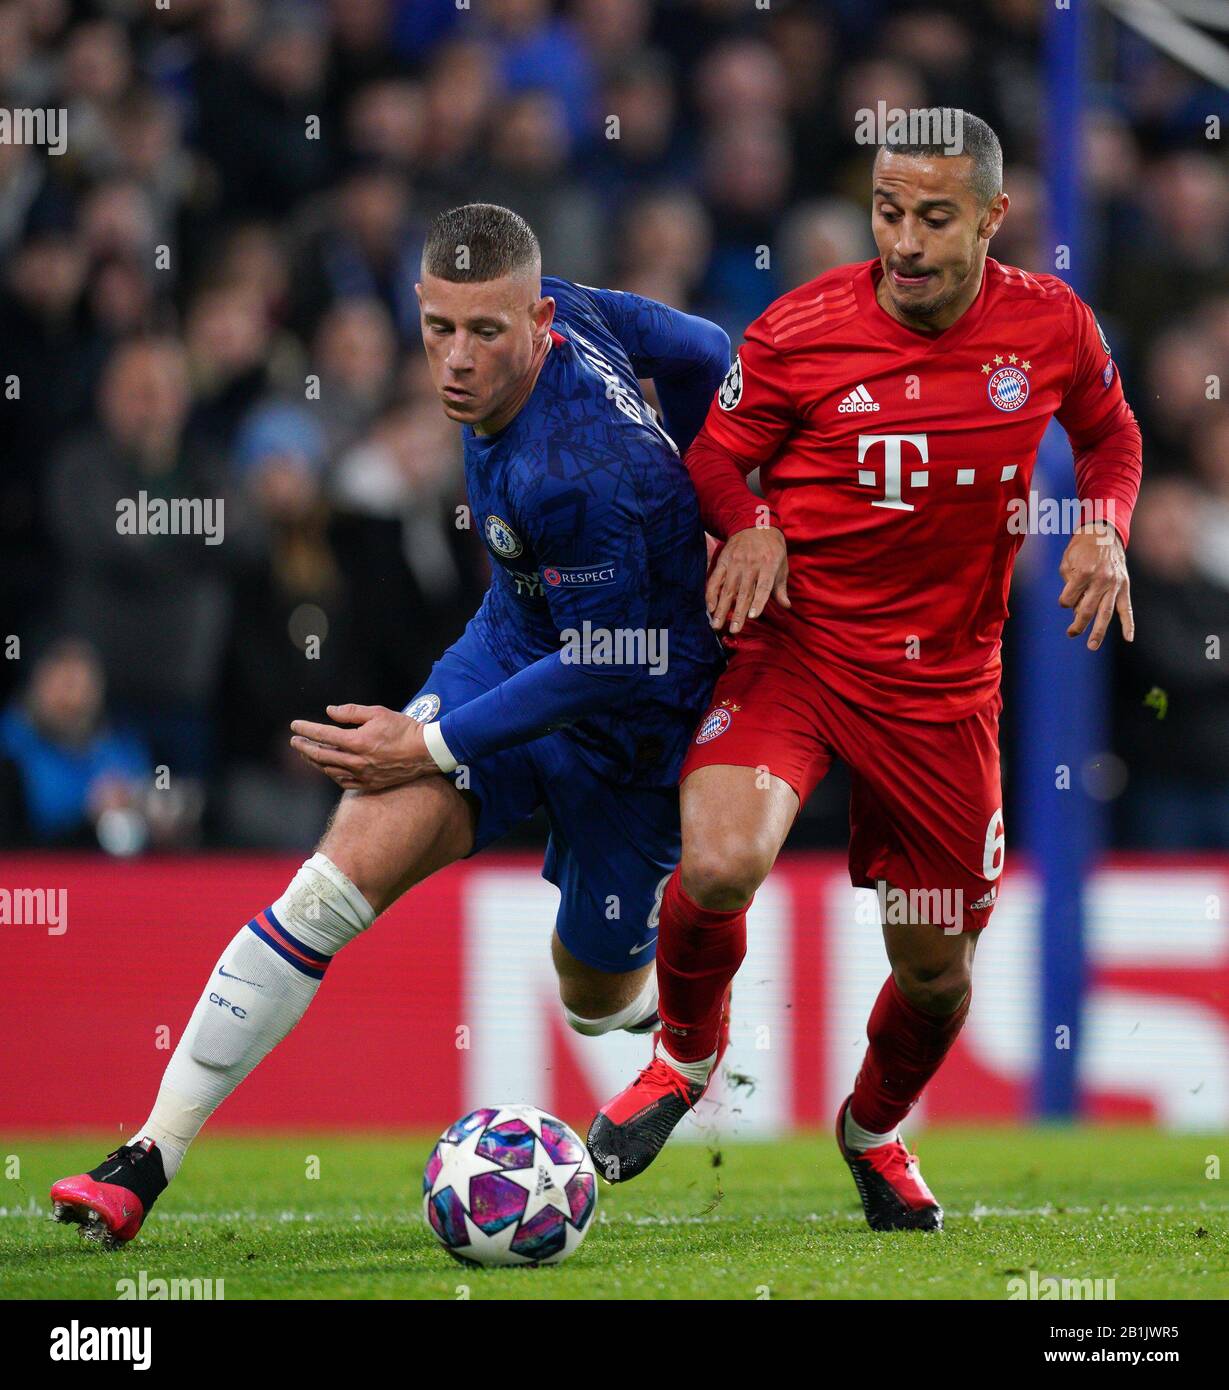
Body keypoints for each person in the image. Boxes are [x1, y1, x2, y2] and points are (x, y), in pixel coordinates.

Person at [49, 203, 729, 1251]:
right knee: (328, 885)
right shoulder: (580, 315)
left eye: (485, 333)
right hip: (512, 649)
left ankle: (671, 1020)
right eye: (438, 327)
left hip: (632, 723)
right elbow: (703, 351)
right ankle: (146, 1157)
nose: (455, 360)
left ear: (539, 319)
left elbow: (610, 661)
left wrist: (431, 744)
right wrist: (711, 480)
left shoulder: (586, 475)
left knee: (591, 996)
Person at [588, 112, 1143, 1231]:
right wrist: (745, 521)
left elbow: (1109, 432)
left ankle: (872, 1128)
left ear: (992, 217)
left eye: (933, 217)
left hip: (941, 688)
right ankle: (686, 1057)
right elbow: (713, 455)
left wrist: (1102, 525)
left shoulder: (1048, 323)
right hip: (794, 646)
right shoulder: (800, 328)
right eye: (886, 212)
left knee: (935, 969)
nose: (902, 239)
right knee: (718, 862)